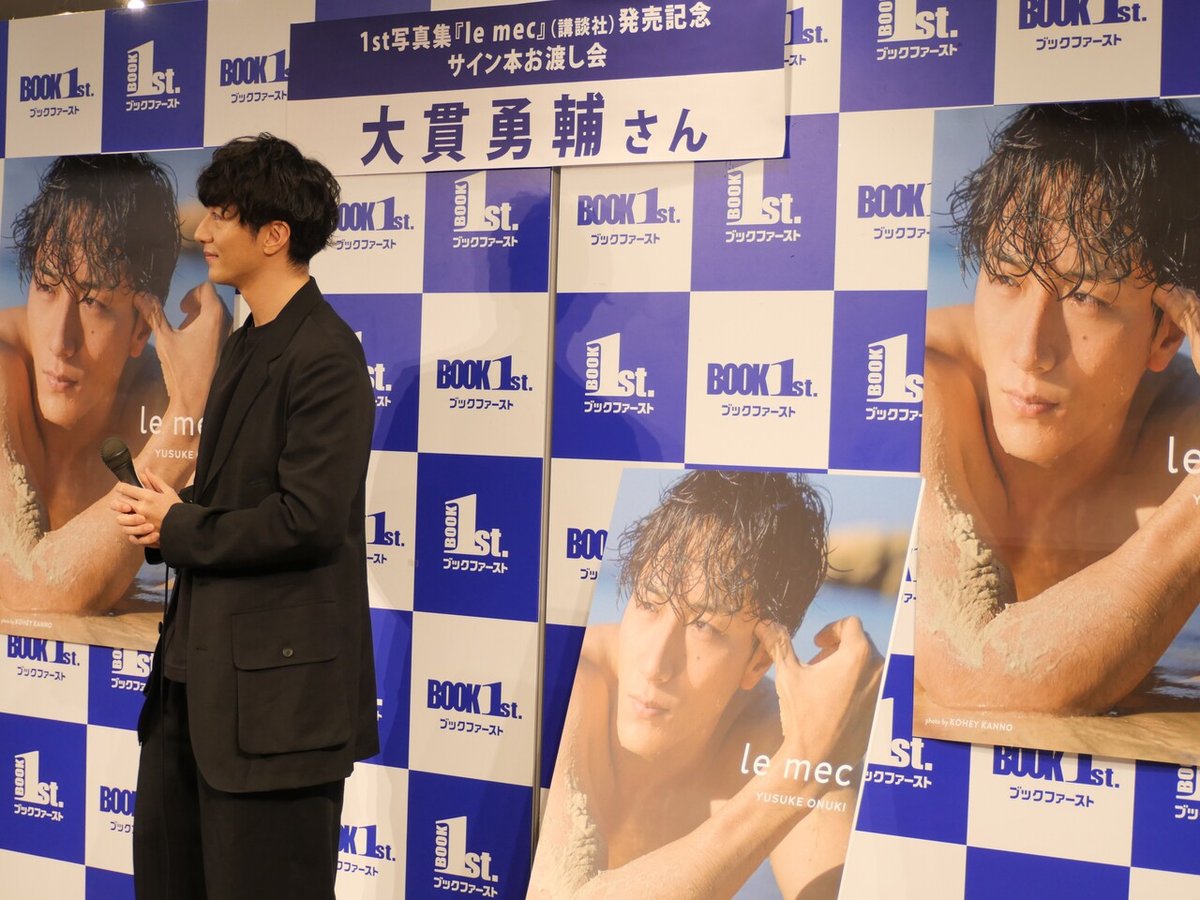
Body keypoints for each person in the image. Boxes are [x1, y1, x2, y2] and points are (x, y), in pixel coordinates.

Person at [111, 135, 377, 900]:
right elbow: (237, 498)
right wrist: (167, 515)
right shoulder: (246, 343)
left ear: (274, 235)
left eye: (221, 215)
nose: (202, 232)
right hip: (192, 690)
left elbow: (307, 518)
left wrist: (182, 527)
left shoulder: (326, 354)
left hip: (276, 713)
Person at [916, 100, 1200, 716]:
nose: (1029, 351)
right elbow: (976, 679)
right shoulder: (926, 380)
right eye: (1006, 276)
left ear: (1168, 334)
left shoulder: (1184, 431)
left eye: (1086, 297)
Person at [529, 471, 882, 899]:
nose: (654, 664)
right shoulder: (570, 679)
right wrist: (798, 775)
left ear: (759, 660)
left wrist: (806, 761)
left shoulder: (784, 740)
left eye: (704, 627)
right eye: (649, 603)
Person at [0, 153, 223, 617]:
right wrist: (186, 425)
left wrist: (190, 407)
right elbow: (31, 596)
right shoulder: (5, 367)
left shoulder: (163, 395)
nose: (59, 341)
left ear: (142, 328)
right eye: (46, 286)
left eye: (93, 303)